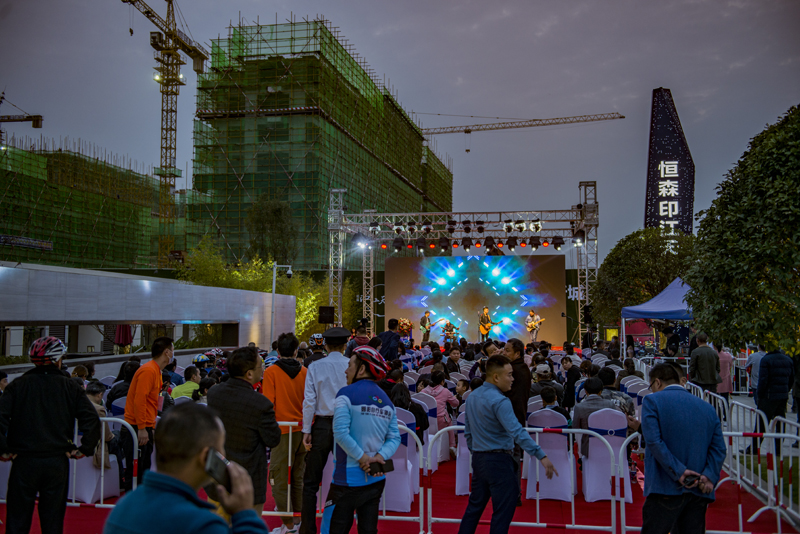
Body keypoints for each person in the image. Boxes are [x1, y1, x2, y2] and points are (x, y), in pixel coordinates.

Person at [104, 402, 271, 534]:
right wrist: (244, 514)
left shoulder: (123, 506)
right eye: (221, 448)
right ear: (206, 457)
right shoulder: (202, 524)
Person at [0, 336, 101, 534]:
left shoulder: (18, 385)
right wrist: (84, 449)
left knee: (17, 519)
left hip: (23, 460)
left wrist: (3, 449)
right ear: (57, 360)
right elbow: (91, 420)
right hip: (57, 460)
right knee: (52, 521)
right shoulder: (69, 386)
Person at [458, 355, 557, 534]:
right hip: (499, 461)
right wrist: (540, 454)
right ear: (496, 377)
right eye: (509, 375)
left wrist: (477, 452)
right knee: (503, 512)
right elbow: (517, 431)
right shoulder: (500, 401)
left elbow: (468, 433)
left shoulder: (472, 397)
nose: (513, 379)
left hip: (479, 459)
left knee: (474, 509)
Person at [627, 363, 726, 534]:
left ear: (657, 382)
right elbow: (719, 448)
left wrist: (679, 471)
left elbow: (654, 441)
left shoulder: (652, 401)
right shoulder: (707, 407)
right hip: (699, 487)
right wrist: (709, 476)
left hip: (664, 487)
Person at [320, 346, 400, 534]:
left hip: (345, 482)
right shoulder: (387, 401)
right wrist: (378, 457)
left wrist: (363, 458)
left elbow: (340, 432)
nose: (346, 370)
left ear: (361, 369)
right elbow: (395, 437)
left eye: (349, 365)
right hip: (375, 478)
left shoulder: (345, 394)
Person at [300, 327, 351, 534]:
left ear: (326, 346)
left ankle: (307, 529)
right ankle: (340, 528)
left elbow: (309, 400)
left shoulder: (315, 366)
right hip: (346, 425)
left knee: (310, 482)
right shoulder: (351, 364)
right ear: (345, 345)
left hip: (321, 425)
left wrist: (306, 430)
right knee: (346, 478)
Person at [263, 333, 308, 534]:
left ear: (278, 351)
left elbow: (268, 404)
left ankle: (288, 525)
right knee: (298, 477)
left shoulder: (271, 372)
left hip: (281, 431)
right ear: (296, 351)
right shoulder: (305, 372)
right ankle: (297, 521)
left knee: (279, 479)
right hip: (302, 431)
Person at [122, 336, 174, 490]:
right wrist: (142, 428)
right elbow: (140, 400)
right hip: (136, 427)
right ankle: (132, 502)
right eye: (172, 350)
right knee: (135, 471)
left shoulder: (156, 371)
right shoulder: (148, 370)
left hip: (145, 425)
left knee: (144, 468)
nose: (173, 353)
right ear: (166, 352)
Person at [572, 377, 618, 457]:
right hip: (608, 446)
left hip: (588, 448)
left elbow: (575, 428)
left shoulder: (579, 407)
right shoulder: (610, 405)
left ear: (585, 391)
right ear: (601, 391)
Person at [421, 370, 460, 454]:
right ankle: (452, 445)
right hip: (441, 421)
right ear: (442, 381)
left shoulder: (423, 391)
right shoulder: (445, 391)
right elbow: (456, 403)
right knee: (449, 422)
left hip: (427, 422)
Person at [757, 347, 795, 427]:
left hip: (768, 396)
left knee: (762, 423)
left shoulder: (766, 360)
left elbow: (763, 380)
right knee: (780, 421)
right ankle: (780, 435)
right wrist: (786, 390)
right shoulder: (788, 360)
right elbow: (791, 379)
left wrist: (760, 395)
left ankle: (759, 435)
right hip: (782, 396)